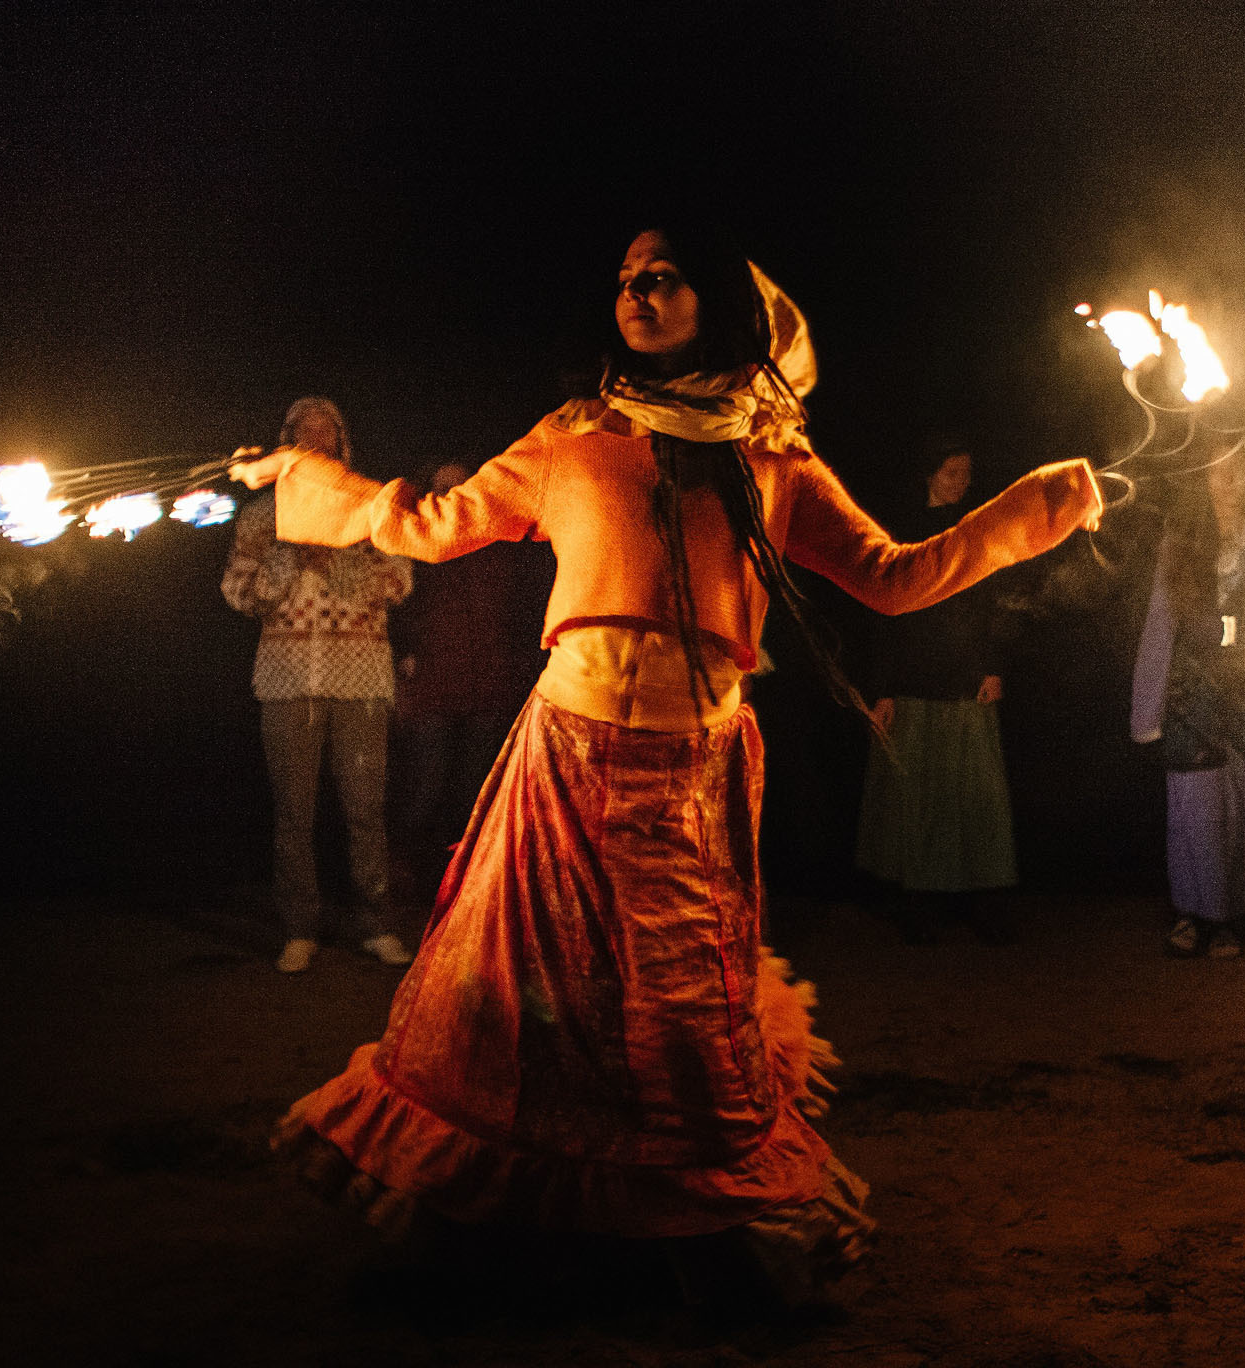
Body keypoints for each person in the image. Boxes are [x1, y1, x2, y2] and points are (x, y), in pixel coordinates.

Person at [233, 223, 1102, 1304]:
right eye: (625, 281)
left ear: (718, 301)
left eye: (663, 278)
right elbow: (432, 522)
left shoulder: (770, 457)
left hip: (687, 770)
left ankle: (713, 1223)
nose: (636, 295)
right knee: (538, 1002)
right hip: (566, 753)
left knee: (681, 1018)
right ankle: (523, 1221)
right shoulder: (576, 434)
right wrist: (310, 479)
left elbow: (892, 574)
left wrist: (1032, 512)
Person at [221, 395, 415, 975]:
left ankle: (376, 923)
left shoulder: (366, 504)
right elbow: (234, 588)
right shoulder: (261, 517)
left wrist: (334, 557)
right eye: (303, 435)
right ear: (288, 444)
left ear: (341, 443)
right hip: (286, 679)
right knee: (293, 812)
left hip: (359, 676)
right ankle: (299, 928)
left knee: (365, 809)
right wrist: (285, 566)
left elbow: (401, 576)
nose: (315, 444)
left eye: (325, 434)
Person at [1130, 463, 1245, 958]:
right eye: (1220, 476)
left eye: (1238, 475)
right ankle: (1194, 913)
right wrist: (1147, 714)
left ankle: (1237, 915)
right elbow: (1160, 626)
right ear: (1202, 484)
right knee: (1196, 810)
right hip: (1194, 698)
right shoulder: (1180, 545)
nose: (1230, 485)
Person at [856, 439, 1022, 944]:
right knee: (918, 795)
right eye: (951, 473)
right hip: (912, 682)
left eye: (966, 474)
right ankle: (918, 902)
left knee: (975, 795)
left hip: (964, 678)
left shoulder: (975, 530)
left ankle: (982, 901)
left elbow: (997, 603)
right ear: (929, 474)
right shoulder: (899, 532)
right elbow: (885, 612)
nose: (961, 483)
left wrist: (992, 667)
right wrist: (882, 690)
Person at [390, 460, 546, 878]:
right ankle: (407, 873)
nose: (451, 496)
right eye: (442, 488)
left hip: (487, 683)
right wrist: (403, 670)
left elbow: (518, 610)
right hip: (432, 684)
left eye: (460, 487)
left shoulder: (497, 544)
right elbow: (401, 613)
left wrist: (514, 672)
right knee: (426, 785)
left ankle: (463, 878)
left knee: (474, 792)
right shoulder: (420, 547)